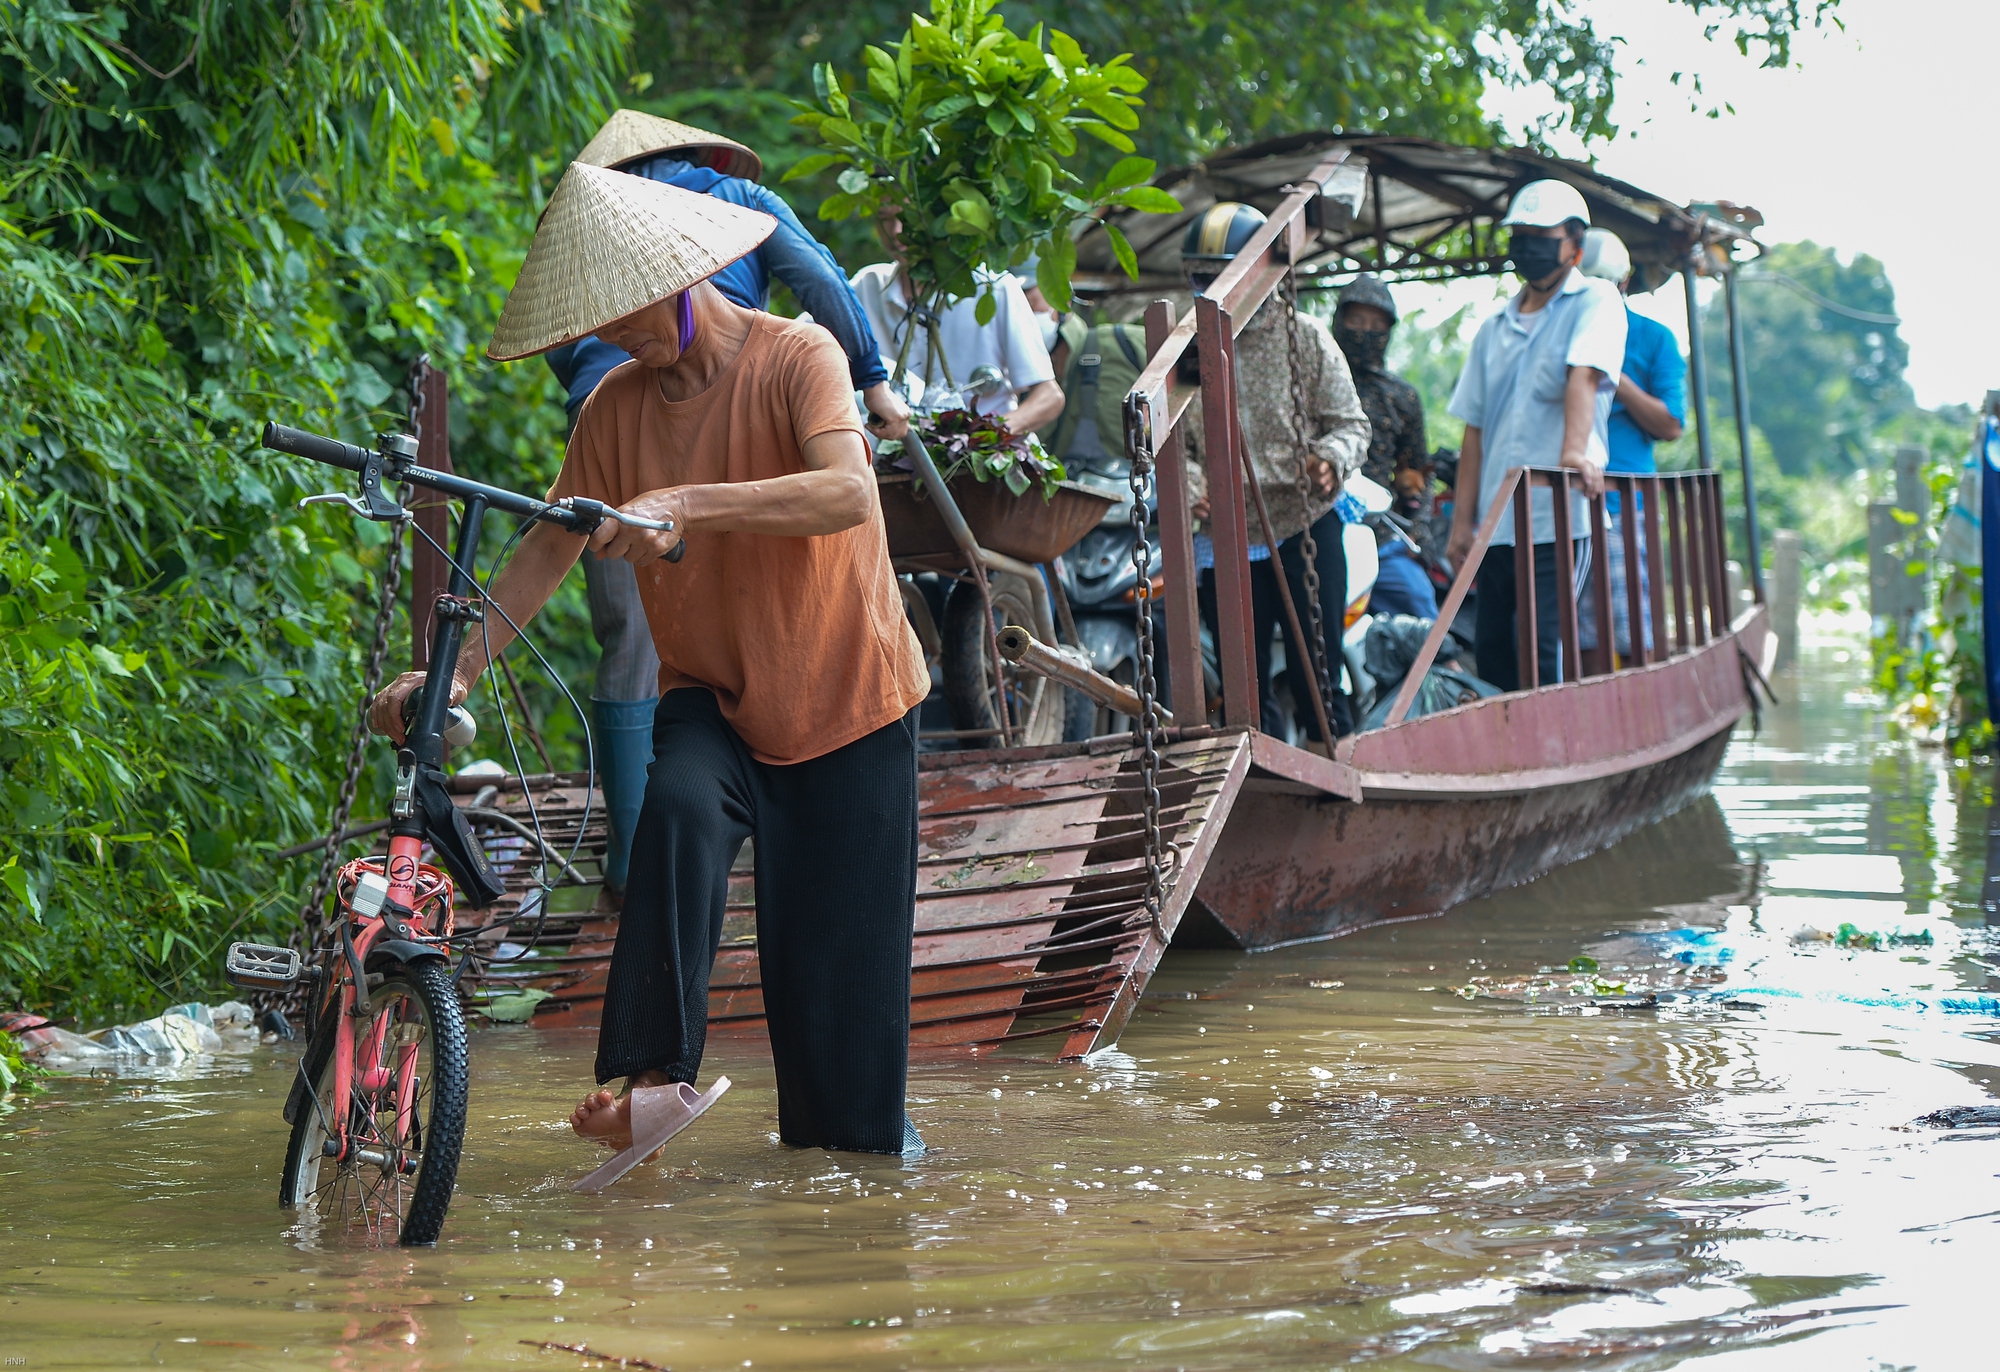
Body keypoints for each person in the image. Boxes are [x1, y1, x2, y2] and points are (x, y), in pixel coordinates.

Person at [370, 163, 932, 1159]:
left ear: (675, 283)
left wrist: (690, 501)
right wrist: (455, 672)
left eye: (619, 317)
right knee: (673, 807)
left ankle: (849, 1229)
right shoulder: (615, 409)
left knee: (839, 1084)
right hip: (714, 698)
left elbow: (846, 492)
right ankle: (658, 1075)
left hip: (850, 705)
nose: (606, 342)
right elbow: (549, 545)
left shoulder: (797, 356)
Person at [541, 110, 912, 905]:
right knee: (722, 638)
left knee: (631, 645)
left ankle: (634, 856)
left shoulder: (582, 257)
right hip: (679, 411)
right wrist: (875, 381)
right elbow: (817, 278)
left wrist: (625, 432)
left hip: (627, 422)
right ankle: (693, 829)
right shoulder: (732, 194)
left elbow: (568, 354)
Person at [1178, 202, 1372, 743]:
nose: (1211, 288)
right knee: (1244, 693)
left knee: (1320, 681)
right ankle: (1260, 793)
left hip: (1303, 524)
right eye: (1200, 276)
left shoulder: (1305, 337)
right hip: (1227, 536)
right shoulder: (1182, 349)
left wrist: (1329, 461)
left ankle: (1336, 777)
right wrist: (1193, 487)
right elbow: (1170, 445)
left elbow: (1352, 425)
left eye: (1223, 275)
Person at [1445, 179, 1627, 691]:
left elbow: (1584, 376)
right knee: (1493, 648)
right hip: (1495, 522)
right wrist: (1463, 523)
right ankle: (1502, 763)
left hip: (1556, 521)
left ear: (1574, 243)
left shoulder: (1595, 300)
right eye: (1518, 235)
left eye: (1539, 235)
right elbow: (1474, 430)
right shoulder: (1492, 328)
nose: (1527, 245)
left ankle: (1554, 755)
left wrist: (1575, 451)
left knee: (1544, 646)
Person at [849, 209, 1064, 432]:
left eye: (907, 218)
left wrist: (987, 437)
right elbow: (812, 338)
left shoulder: (992, 287)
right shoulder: (867, 286)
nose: (896, 231)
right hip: (895, 451)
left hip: (984, 454)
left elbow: (1049, 396)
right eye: (885, 219)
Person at [1579, 227, 1685, 659]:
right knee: (1569, 630)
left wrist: (1611, 377)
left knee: (1624, 628)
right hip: (1559, 501)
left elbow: (1671, 424)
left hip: (1621, 504)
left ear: (1624, 284)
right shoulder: (1556, 332)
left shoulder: (1653, 338)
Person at [1331, 274, 1438, 619]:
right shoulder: (1312, 385)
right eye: (1357, 320)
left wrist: (1417, 529)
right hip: (1314, 530)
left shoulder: (1401, 396)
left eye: (1377, 324)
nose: (1365, 332)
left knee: (1422, 612)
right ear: (1339, 321)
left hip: (1380, 534)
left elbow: (1422, 472)